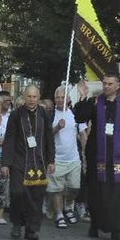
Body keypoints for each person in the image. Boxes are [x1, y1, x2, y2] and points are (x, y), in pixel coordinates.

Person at [74, 73, 120, 240]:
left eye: (110, 84)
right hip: (97, 155)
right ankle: (95, 224)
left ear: (118, 86)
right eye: (104, 83)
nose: (106, 86)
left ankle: (117, 229)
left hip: (117, 156)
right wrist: (83, 97)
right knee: (97, 191)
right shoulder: (95, 102)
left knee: (118, 193)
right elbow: (80, 117)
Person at [1, 85, 55, 240]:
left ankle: (32, 228)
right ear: (24, 97)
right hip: (19, 161)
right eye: (29, 97)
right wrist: (5, 163)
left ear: (39, 97)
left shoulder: (44, 114)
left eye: (34, 97)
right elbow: (9, 139)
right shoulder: (16, 115)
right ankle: (17, 224)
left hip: (39, 162)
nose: (31, 100)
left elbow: (49, 139)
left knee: (35, 196)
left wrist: (51, 160)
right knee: (17, 193)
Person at [49, 86, 85, 229]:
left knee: (74, 187)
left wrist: (84, 152)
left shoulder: (75, 113)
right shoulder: (50, 115)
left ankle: (67, 206)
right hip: (57, 158)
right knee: (57, 189)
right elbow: (46, 135)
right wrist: (57, 127)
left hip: (73, 157)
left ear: (68, 99)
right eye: (57, 97)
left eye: (62, 97)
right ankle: (59, 214)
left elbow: (83, 134)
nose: (59, 100)